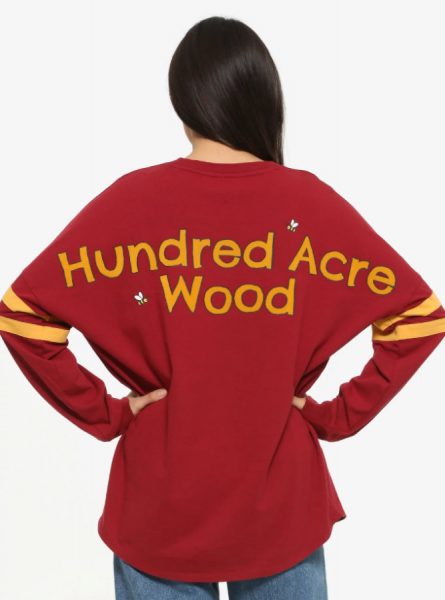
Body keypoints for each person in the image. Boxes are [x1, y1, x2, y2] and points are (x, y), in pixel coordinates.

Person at [1, 15, 444, 600]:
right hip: (281, 507)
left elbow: (22, 315)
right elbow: (419, 318)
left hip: (159, 507)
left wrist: (109, 413)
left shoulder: (131, 201)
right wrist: (337, 415)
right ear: (264, 98)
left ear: (182, 101)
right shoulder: (309, 204)